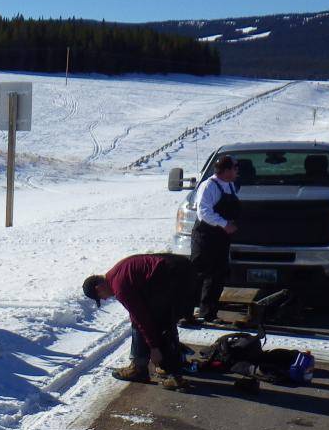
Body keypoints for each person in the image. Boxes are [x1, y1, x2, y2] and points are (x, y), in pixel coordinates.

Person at [82, 253, 196, 390]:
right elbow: (137, 314)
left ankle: (174, 376)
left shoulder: (119, 286)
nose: (105, 299)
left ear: (98, 288)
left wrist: (154, 348)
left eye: (100, 297)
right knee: (144, 321)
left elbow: (143, 317)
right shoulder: (117, 273)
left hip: (174, 274)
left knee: (160, 323)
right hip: (177, 268)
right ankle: (140, 368)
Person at [191, 155, 241, 320]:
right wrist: (224, 224)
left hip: (220, 238)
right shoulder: (208, 186)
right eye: (234, 168)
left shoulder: (230, 185)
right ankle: (191, 311)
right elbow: (204, 212)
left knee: (218, 275)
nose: (237, 171)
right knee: (203, 274)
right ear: (226, 171)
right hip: (206, 237)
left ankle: (209, 312)